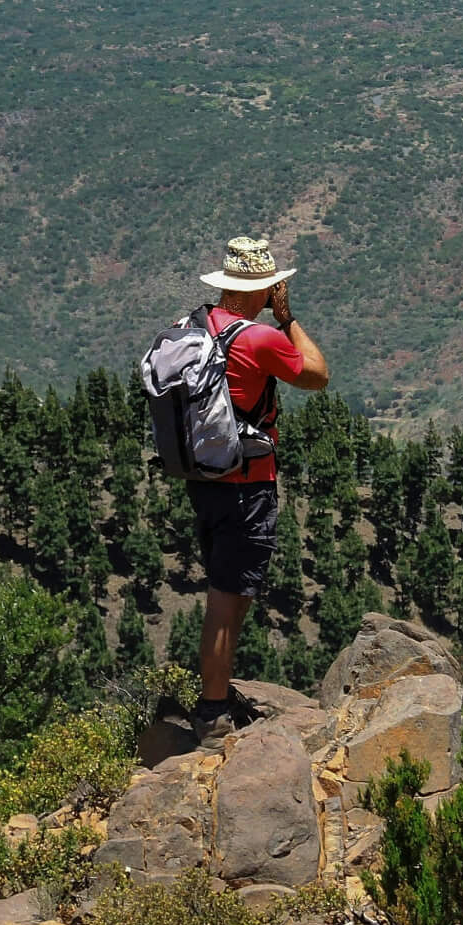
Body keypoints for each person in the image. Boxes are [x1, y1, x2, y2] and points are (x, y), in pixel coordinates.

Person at [184, 234, 328, 739]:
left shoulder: (194, 327)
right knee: (226, 598)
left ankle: (216, 694)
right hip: (246, 484)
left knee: (230, 590)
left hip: (204, 478)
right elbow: (316, 375)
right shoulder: (259, 337)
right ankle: (213, 712)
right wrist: (287, 318)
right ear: (259, 290)